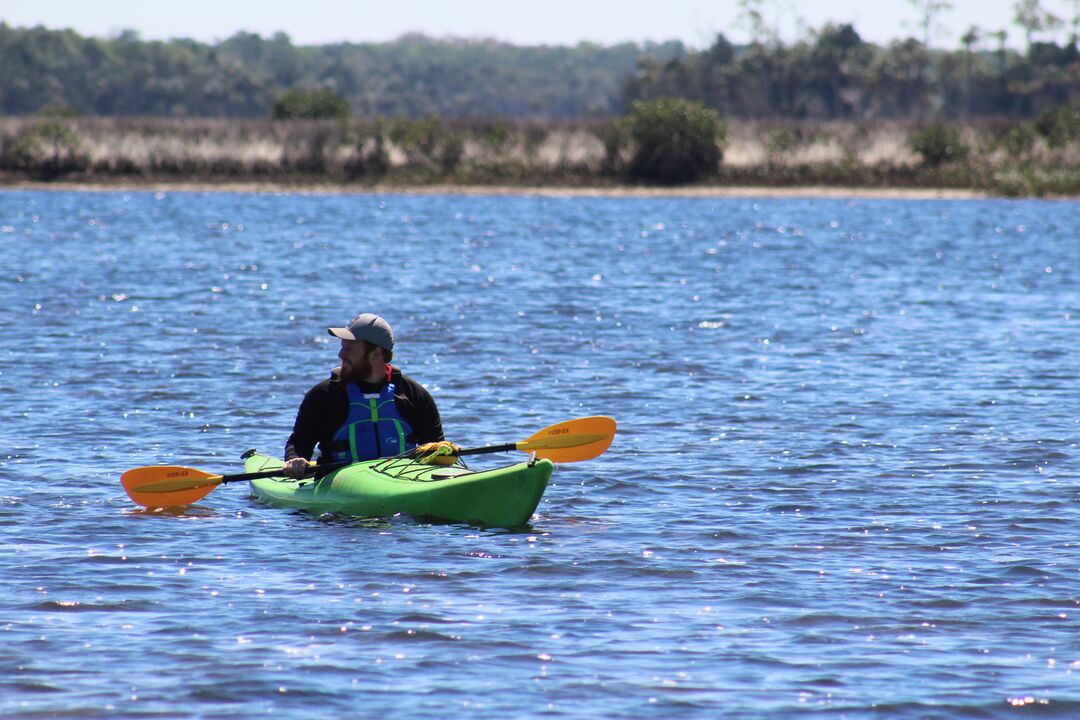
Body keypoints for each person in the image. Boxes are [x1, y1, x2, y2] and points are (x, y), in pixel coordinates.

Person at [283, 313, 446, 478]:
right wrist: (295, 460)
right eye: (342, 346)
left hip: (404, 479)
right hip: (337, 484)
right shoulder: (323, 396)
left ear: (376, 354)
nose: (341, 354)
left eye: (349, 348)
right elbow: (299, 443)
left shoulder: (414, 395)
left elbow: (435, 448)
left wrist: (445, 453)